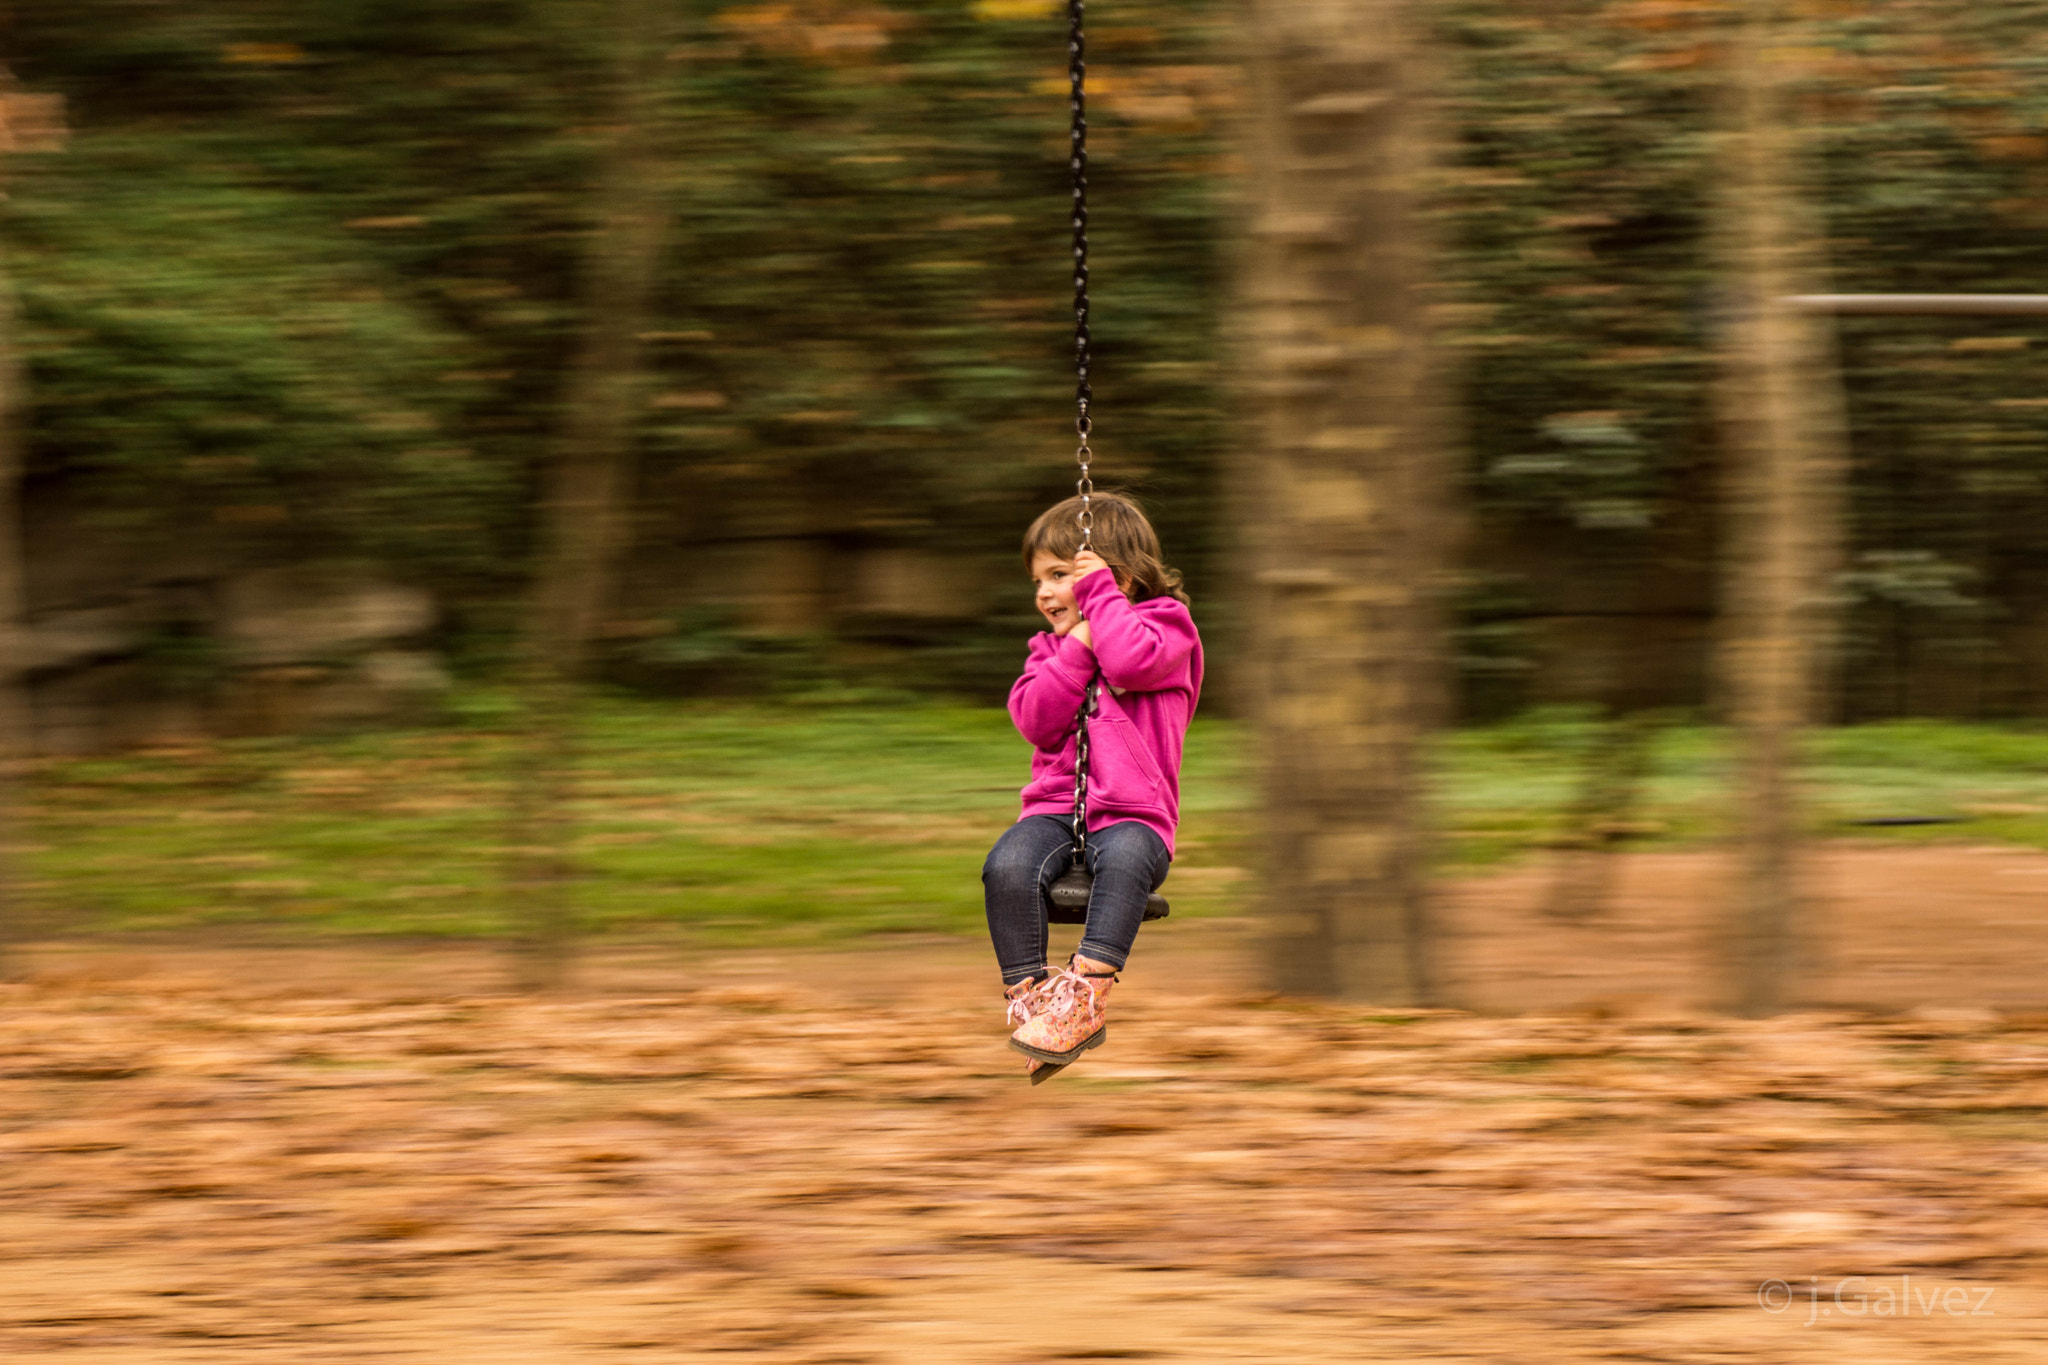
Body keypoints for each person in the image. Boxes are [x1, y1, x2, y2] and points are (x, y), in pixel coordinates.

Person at [983, 491, 1203, 1081]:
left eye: (1060, 575)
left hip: (1136, 814)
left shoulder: (1167, 631)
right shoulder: (1048, 650)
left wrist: (1097, 608)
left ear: (1120, 577)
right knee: (1006, 865)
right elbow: (1034, 718)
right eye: (1038, 579)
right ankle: (1032, 1003)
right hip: (1057, 809)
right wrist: (1075, 649)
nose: (1044, 592)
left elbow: (1130, 663)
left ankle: (1084, 996)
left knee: (1127, 858)